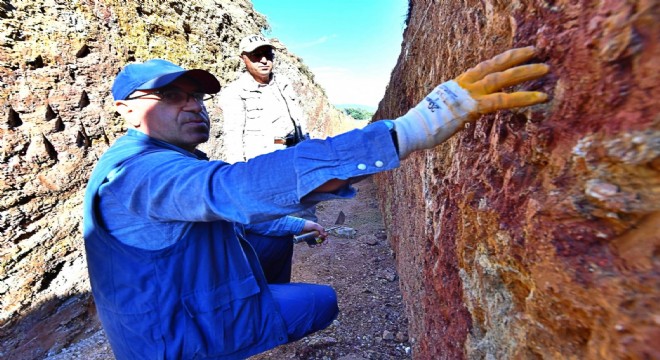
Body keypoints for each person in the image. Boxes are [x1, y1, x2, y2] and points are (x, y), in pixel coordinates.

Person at [83, 47, 549, 359]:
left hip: (164, 311)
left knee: (273, 238)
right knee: (321, 301)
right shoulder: (137, 173)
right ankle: (237, 329)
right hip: (170, 337)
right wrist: (410, 130)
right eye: (169, 96)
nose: (193, 106)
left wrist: (293, 224)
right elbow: (231, 190)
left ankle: (249, 309)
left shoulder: (150, 159)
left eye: (197, 97)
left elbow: (221, 215)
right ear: (126, 110)